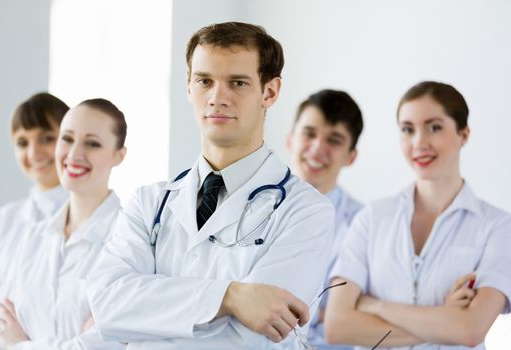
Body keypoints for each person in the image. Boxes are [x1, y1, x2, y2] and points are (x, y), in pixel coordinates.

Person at [87, 22, 335, 349]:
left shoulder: (306, 212)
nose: (218, 98)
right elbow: (107, 305)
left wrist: (145, 323)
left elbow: (249, 339)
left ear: (270, 92)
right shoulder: (149, 203)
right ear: (189, 87)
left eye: (237, 83)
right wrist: (230, 297)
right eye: (204, 81)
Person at [324, 81, 511, 349]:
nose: (419, 142)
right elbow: (338, 326)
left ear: (464, 134)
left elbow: (470, 329)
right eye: (408, 130)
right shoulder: (371, 219)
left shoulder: (498, 226)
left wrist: (373, 305)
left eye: (434, 127)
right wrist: (446, 321)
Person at [0, 99, 127, 350]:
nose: (74, 154)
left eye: (92, 143)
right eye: (67, 139)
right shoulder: (33, 237)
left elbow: (105, 346)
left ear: (119, 155)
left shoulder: (127, 239)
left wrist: (19, 344)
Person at [0, 93, 69, 341]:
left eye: (46, 138)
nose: (33, 153)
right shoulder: (3, 220)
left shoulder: (90, 219)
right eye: (22, 142)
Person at [286, 89, 363, 349]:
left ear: (351, 156)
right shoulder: (250, 209)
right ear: (290, 139)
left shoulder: (364, 224)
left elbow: (353, 318)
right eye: (309, 134)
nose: (318, 149)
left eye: (334, 140)